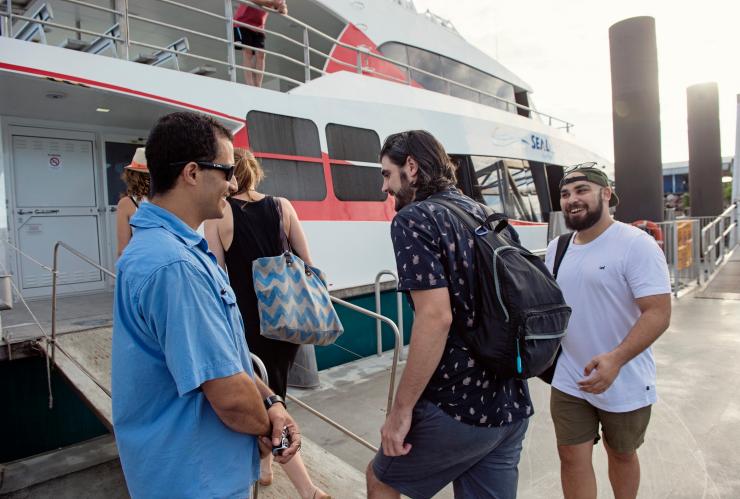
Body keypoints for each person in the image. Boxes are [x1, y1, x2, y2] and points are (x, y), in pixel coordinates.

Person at [112, 111, 301, 498]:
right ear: (193, 173)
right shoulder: (175, 265)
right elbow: (229, 396)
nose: (232, 183)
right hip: (196, 480)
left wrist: (271, 401)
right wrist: (271, 427)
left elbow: (227, 357)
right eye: (227, 170)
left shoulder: (173, 250)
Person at [366, 130, 532, 499]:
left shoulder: (414, 219)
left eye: (387, 174)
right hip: (510, 402)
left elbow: (435, 318)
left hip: (459, 405)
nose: (384, 187)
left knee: (381, 481)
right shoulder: (487, 215)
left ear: (411, 166)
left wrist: (400, 412)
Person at [205, 148, 329, 499]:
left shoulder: (221, 214)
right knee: (275, 394)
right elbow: (308, 264)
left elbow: (217, 276)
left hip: (248, 324)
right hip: (287, 321)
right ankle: (268, 464)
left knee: (267, 400)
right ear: (255, 173)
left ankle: (305, 488)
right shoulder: (282, 206)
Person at [545, 164, 671, 499]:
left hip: (624, 373)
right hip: (570, 374)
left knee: (622, 453)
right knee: (570, 455)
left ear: (606, 194)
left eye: (581, 190)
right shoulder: (557, 248)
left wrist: (616, 358)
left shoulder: (636, 244)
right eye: (565, 193)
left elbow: (658, 313)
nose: (572, 199)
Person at [233, 0, 287, 87]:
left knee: (261, 54)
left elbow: (283, 10)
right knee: (248, 52)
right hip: (242, 22)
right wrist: (271, 3)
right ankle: (250, 84)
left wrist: (282, 8)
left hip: (259, 26)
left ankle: (258, 85)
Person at [116, 147, 150, 257]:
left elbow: (123, 250)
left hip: (143, 262)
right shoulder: (170, 198)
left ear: (130, 175)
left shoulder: (127, 203)